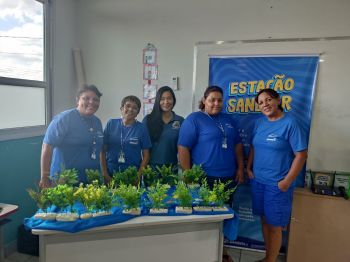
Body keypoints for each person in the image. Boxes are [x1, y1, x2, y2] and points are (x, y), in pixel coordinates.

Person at [246, 88, 308, 262]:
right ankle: (268, 257)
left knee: (275, 226)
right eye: (261, 102)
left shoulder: (290, 123)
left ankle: (271, 260)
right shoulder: (259, 123)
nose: (265, 104)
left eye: (268, 100)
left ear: (278, 100)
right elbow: (253, 147)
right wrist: (249, 168)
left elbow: (301, 155)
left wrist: (287, 182)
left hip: (277, 186)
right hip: (258, 182)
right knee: (265, 222)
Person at [178, 85, 244, 197]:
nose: (216, 103)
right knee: (205, 212)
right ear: (204, 100)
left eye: (219, 100)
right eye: (212, 100)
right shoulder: (194, 119)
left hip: (229, 177)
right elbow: (183, 147)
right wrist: (188, 176)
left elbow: (237, 144)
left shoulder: (229, 119)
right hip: (204, 178)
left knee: (226, 212)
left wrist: (241, 168)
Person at [39, 84, 104, 188]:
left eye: (95, 99)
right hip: (65, 180)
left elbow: (98, 148)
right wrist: (45, 176)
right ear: (78, 100)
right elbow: (47, 146)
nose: (91, 102)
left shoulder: (97, 122)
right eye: (86, 98)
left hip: (90, 180)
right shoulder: (65, 118)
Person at [100, 95, 151, 183]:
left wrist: (138, 175)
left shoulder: (142, 128)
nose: (131, 109)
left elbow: (146, 155)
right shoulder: (111, 124)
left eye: (135, 108)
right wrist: (105, 173)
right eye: (128, 106)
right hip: (111, 173)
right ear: (121, 108)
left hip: (132, 175)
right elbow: (102, 151)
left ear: (138, 112)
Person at [142, 86, 184, 172]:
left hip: (172, 169)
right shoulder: (148, 120)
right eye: (162, 99)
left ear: (173, 100)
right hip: (151, 169)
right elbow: (143, 146)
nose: (166, 102)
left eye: (169, 98)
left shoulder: (180, 121)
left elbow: (183, 146)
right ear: (158, 101)